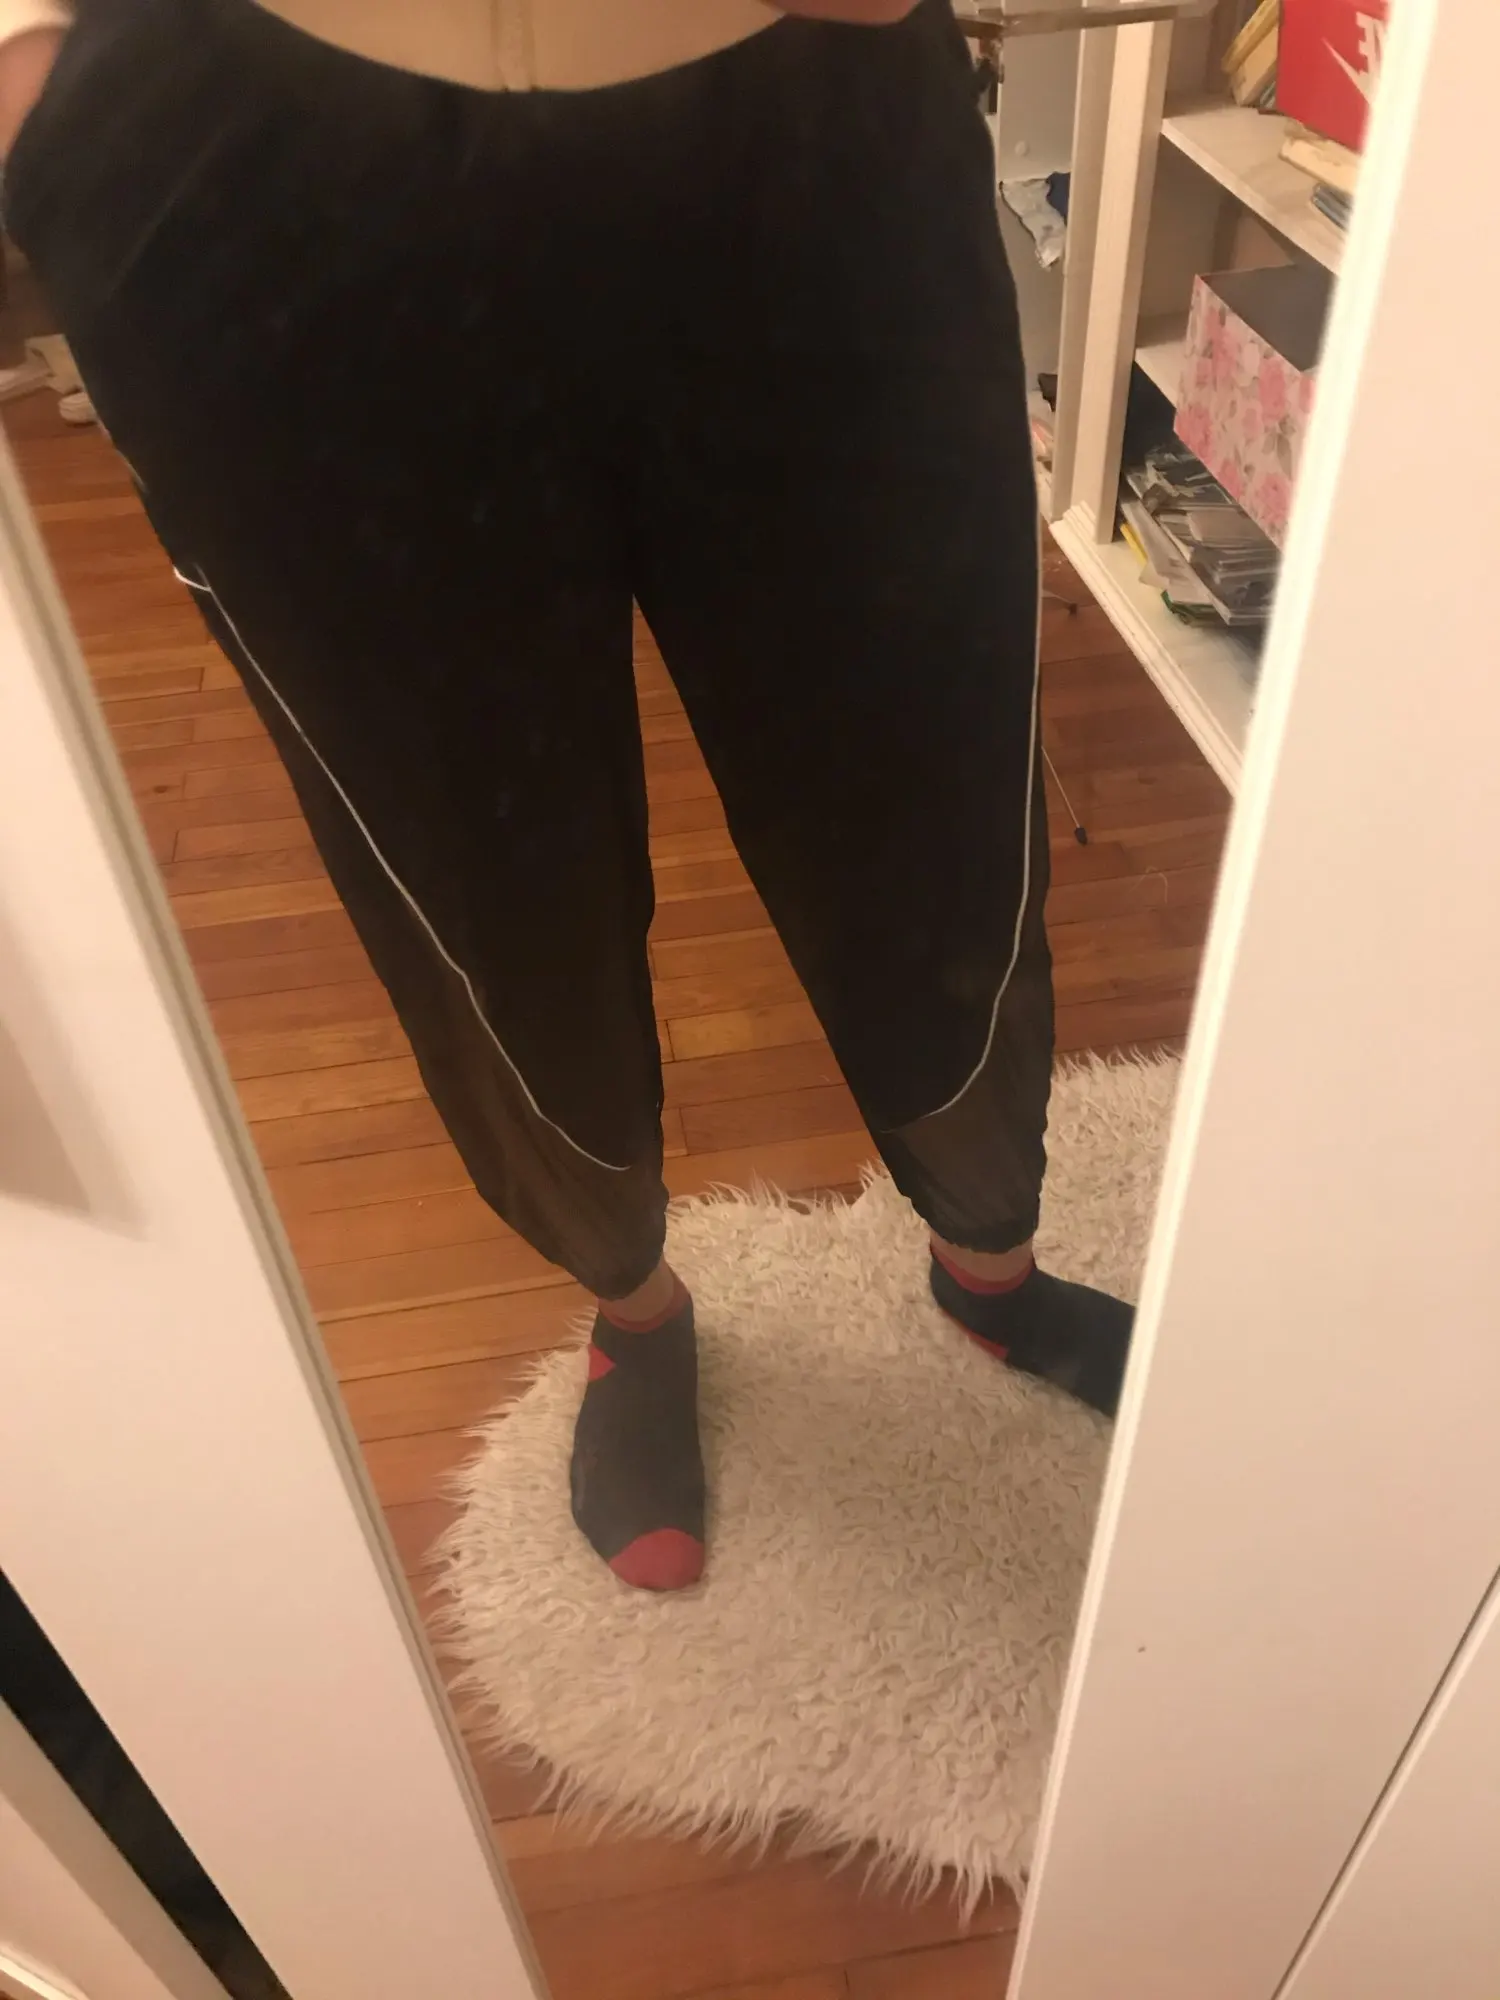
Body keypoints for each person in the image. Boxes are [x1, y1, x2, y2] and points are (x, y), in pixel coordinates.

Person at [0, 0, 1132, 1593]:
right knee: (470, 870)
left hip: (791, 99)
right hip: (238, 153)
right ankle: (630, 1301)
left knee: (926, 778)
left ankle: (989, 1251)